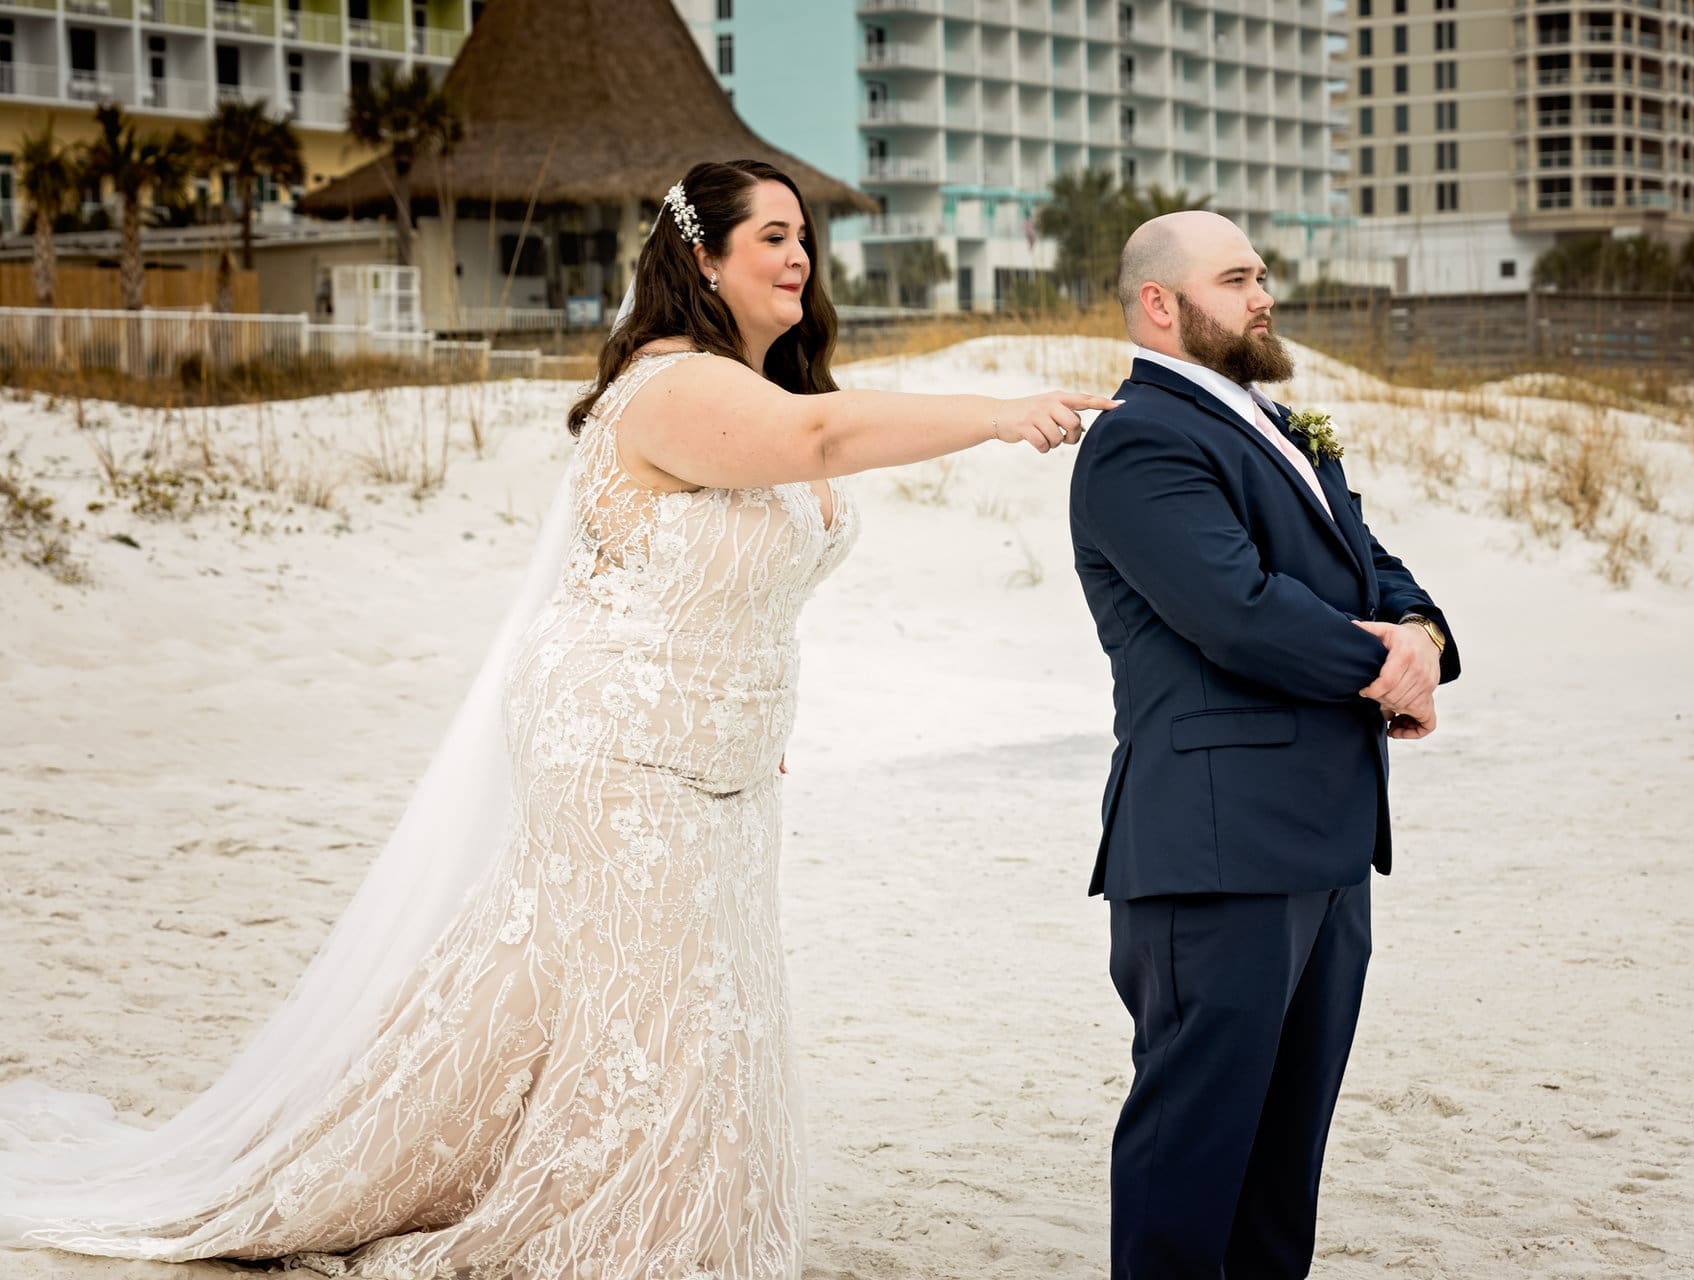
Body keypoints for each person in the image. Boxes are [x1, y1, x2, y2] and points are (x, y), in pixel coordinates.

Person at [0, 158, 1115, 1280]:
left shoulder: (768, 393)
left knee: (663, 991)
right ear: (702, 258)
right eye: (770, 236)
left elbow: (753, 568)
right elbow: (820, 444)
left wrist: (754, 708)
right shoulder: (673, 384)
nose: (797, 258)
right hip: (617, 737)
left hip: (722, 746)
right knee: (675, 1008)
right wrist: (995, 413)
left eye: (804, 239)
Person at [1069, 210, 1463, 1279]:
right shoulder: (1140, 439)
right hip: (1215, 850)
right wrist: (1381, 668)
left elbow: (1373, 565)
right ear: (1162, 302)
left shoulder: (1270, 422)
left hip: (1328, 847)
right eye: (1237, 277)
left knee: (1281, 1168)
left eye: (1261, 274)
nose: (1264, 293)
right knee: (1190, 1159)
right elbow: (1236, 610)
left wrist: (1422, 640)